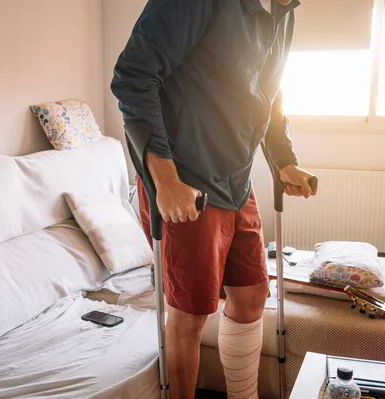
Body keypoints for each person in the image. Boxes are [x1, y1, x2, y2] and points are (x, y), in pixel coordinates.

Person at [111, 0, 318, 398]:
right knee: (190, 315)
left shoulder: (284, 12)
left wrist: (285, 161)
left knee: (252, 294)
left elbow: (269, 97)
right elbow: (133, 76)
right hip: (187, 182)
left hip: (237, 181)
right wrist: (166, 180)